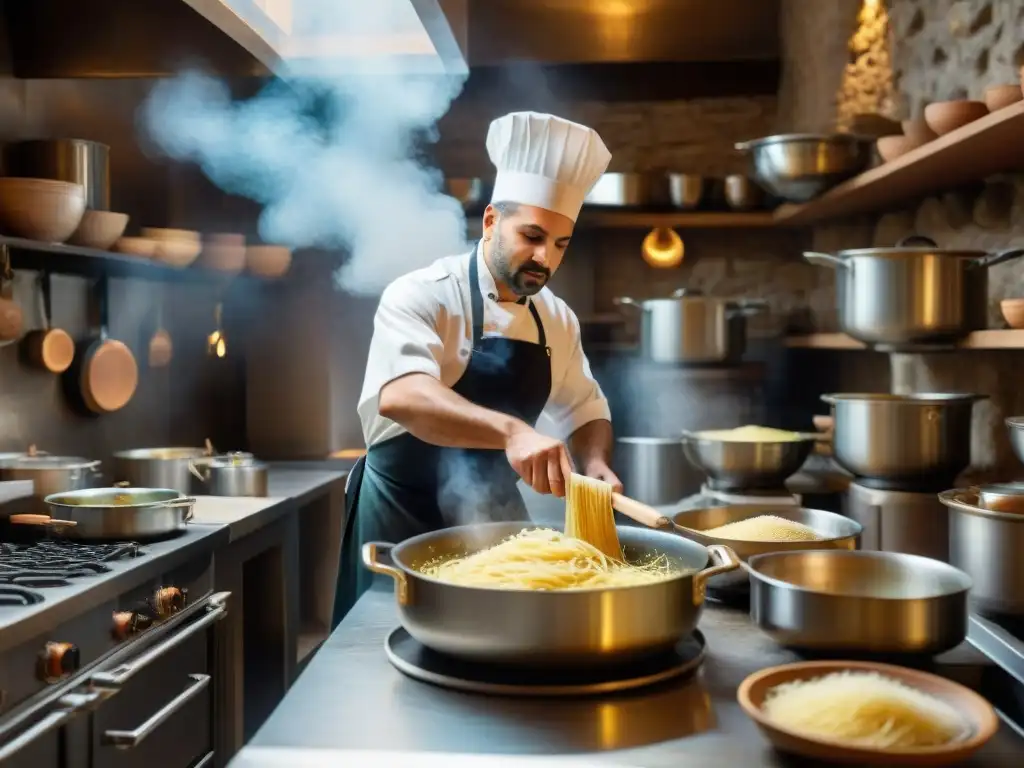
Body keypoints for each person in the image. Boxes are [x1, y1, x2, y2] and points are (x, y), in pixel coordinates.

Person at [332, 111, 620, 627]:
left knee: (513, 645)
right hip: (401, 516)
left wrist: (595, 462)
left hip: (494, 521)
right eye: (532, 235)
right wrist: (512, 431)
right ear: (490, 221)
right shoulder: (423, 294)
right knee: (383, 662)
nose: (544, 258)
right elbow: (401, 396)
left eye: (560, 244)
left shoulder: (555, 317)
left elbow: (585, 406)